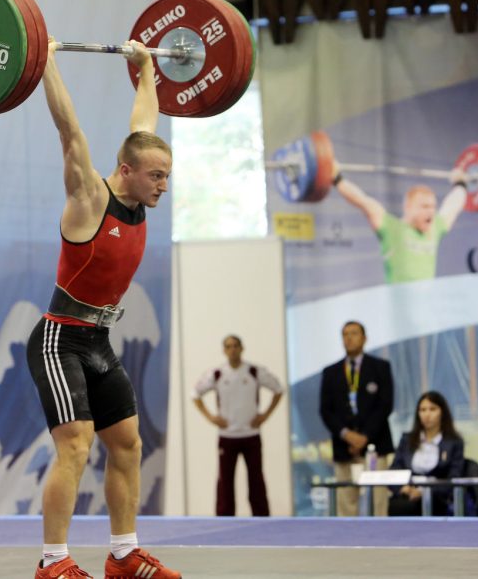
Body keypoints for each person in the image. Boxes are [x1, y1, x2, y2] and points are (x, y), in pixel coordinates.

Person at [26, 37, 179, 579]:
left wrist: (145, 71)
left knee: (128, 443)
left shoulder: (139, 193)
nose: (164, 185)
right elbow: (70, 133)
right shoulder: (90, 197)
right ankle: (54, 563)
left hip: (96, 343)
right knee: (76, 445)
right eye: (157, 176)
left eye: (167, 175)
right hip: (58, 339)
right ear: (127, 170)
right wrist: (43, 60)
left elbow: (144, 125)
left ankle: (122, 555)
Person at [330, 158, 469, 283]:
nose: (431, 211)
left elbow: (453, 205)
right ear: (408, 207)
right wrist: (337, 179)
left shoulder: (434, 228)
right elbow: (363, 201)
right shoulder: (391, 229)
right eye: (425, 206)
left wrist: (460, 183)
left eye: (433, 207)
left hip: (426, 307)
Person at [192, 335, 285, 517]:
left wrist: (265, 415)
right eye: (228, 346)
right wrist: (210, 417)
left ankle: (262, 519)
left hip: (251, 435)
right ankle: (224, 519)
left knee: (256, 479)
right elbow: (195, 393)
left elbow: (278, 389)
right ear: (224, 350)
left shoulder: (254, 371)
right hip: (227, 437)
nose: (232, 349)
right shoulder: (217, 373)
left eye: (235, 346)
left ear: (242, 348)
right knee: (225, 482)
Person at [319, 321, 394, 516]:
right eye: (345, 334)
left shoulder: (380, 368)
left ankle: (380, 542)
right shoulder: (331, 372)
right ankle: (347, 541)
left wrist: (365, 436)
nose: (349, 338)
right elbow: (326, 411)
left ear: (364, 338)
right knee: (345, 501)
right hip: (344, 446)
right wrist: (347, 435)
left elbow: (385, 405)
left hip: (375, 444)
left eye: (354, 333)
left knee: (378, 499)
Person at [388, 391, 465, 516]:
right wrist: (403, 488)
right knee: (397, 506)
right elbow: (394, 470)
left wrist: (424, 492)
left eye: (432, 409)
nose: (427, 414)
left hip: (438, 498)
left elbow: (453, 478)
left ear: (442, 412)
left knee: (410, 507)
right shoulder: (407, 440)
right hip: (407, 493)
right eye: (422, 410)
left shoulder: (454, 442)